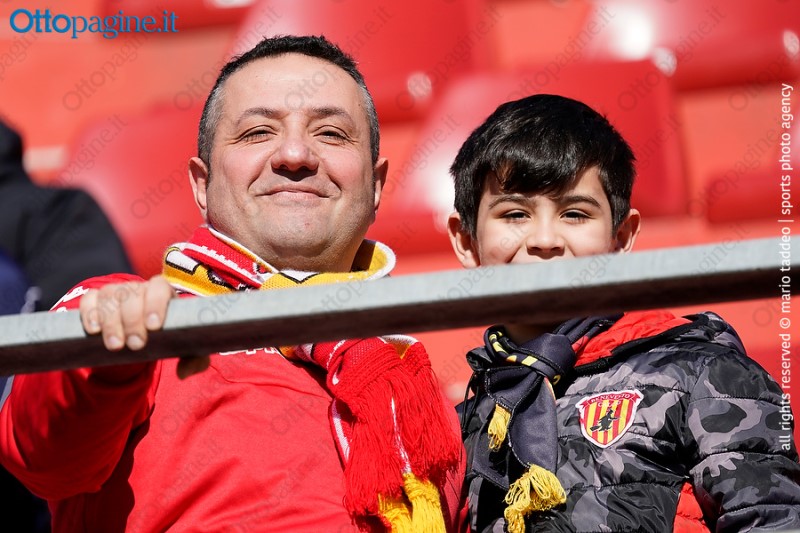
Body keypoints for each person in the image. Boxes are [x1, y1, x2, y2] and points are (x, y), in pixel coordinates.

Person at [0, 35, 464, 532]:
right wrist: (108, 353)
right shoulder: (132, 318)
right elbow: (42, 458)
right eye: (257, 132)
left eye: (330, 133)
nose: (294, 154)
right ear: (202, 185)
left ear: (375, 187)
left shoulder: (410, 386)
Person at [446, 94, 800, 532]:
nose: (544, 240)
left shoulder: (705, 376)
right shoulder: (461, 425)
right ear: (466, 241)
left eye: (575, 214)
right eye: (515, 213)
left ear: (622, 236)